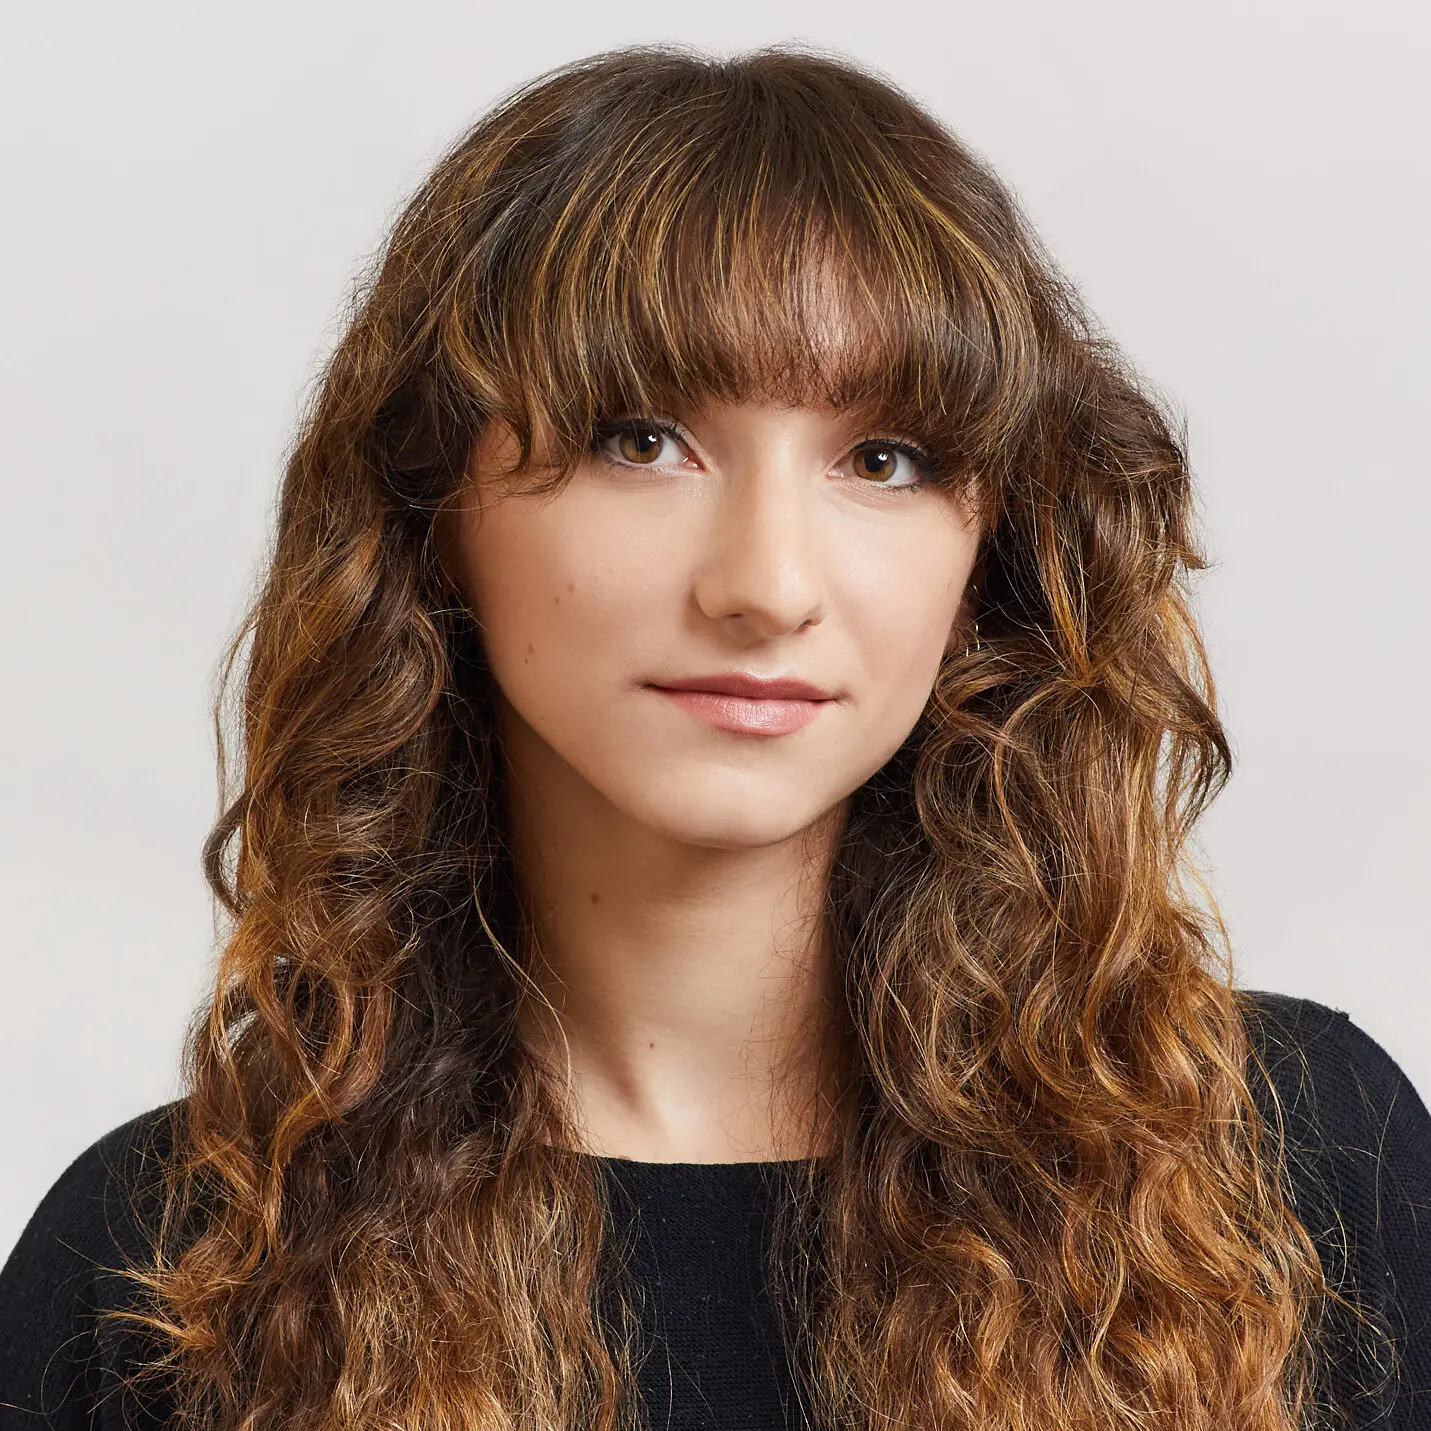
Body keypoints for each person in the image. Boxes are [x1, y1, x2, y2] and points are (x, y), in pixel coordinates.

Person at [1, 41, 1427, 1431]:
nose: (766, 584)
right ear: (431, 515)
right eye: (640, 438)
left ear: (985, 544)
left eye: (884, 459)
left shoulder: (1295, 1168)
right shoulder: (164, 1272)